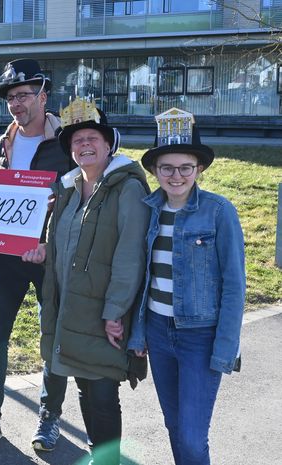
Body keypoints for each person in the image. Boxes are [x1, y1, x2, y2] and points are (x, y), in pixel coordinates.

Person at [24, 97, 150, 464]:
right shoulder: (69, 187)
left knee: (103, 392)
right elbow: (63, 245)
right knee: (82, 382)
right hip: (69, 305)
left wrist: (115, 312)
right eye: (76, 140)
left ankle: (109, 459)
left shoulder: (127, 189)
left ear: (109, 143)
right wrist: (43, 250)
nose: (84, 145)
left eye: (92, 137)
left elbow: (130, 256)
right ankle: (100, 455)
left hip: (103, 312)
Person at [0, 59, 74, 451]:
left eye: (23, 95)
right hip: (6, 256)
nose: (16, 104)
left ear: (44, 95)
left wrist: (53, 232)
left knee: (52, 337)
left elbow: (82, 198)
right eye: (10, 97)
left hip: (51, 257)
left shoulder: (68, 143)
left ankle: (50, 416)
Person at [128, 109, 245, 465]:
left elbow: (234, 286)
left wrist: (225, 349)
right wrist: (139, 334)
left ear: (199, 169)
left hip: (200, 336)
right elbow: (143, 277)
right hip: (158, 332)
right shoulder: (148, 210)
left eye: (185, 168)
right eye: (166, 168)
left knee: (193, 437)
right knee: (174, 426)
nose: (175, 176)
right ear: (154, 171)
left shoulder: (219, 212)